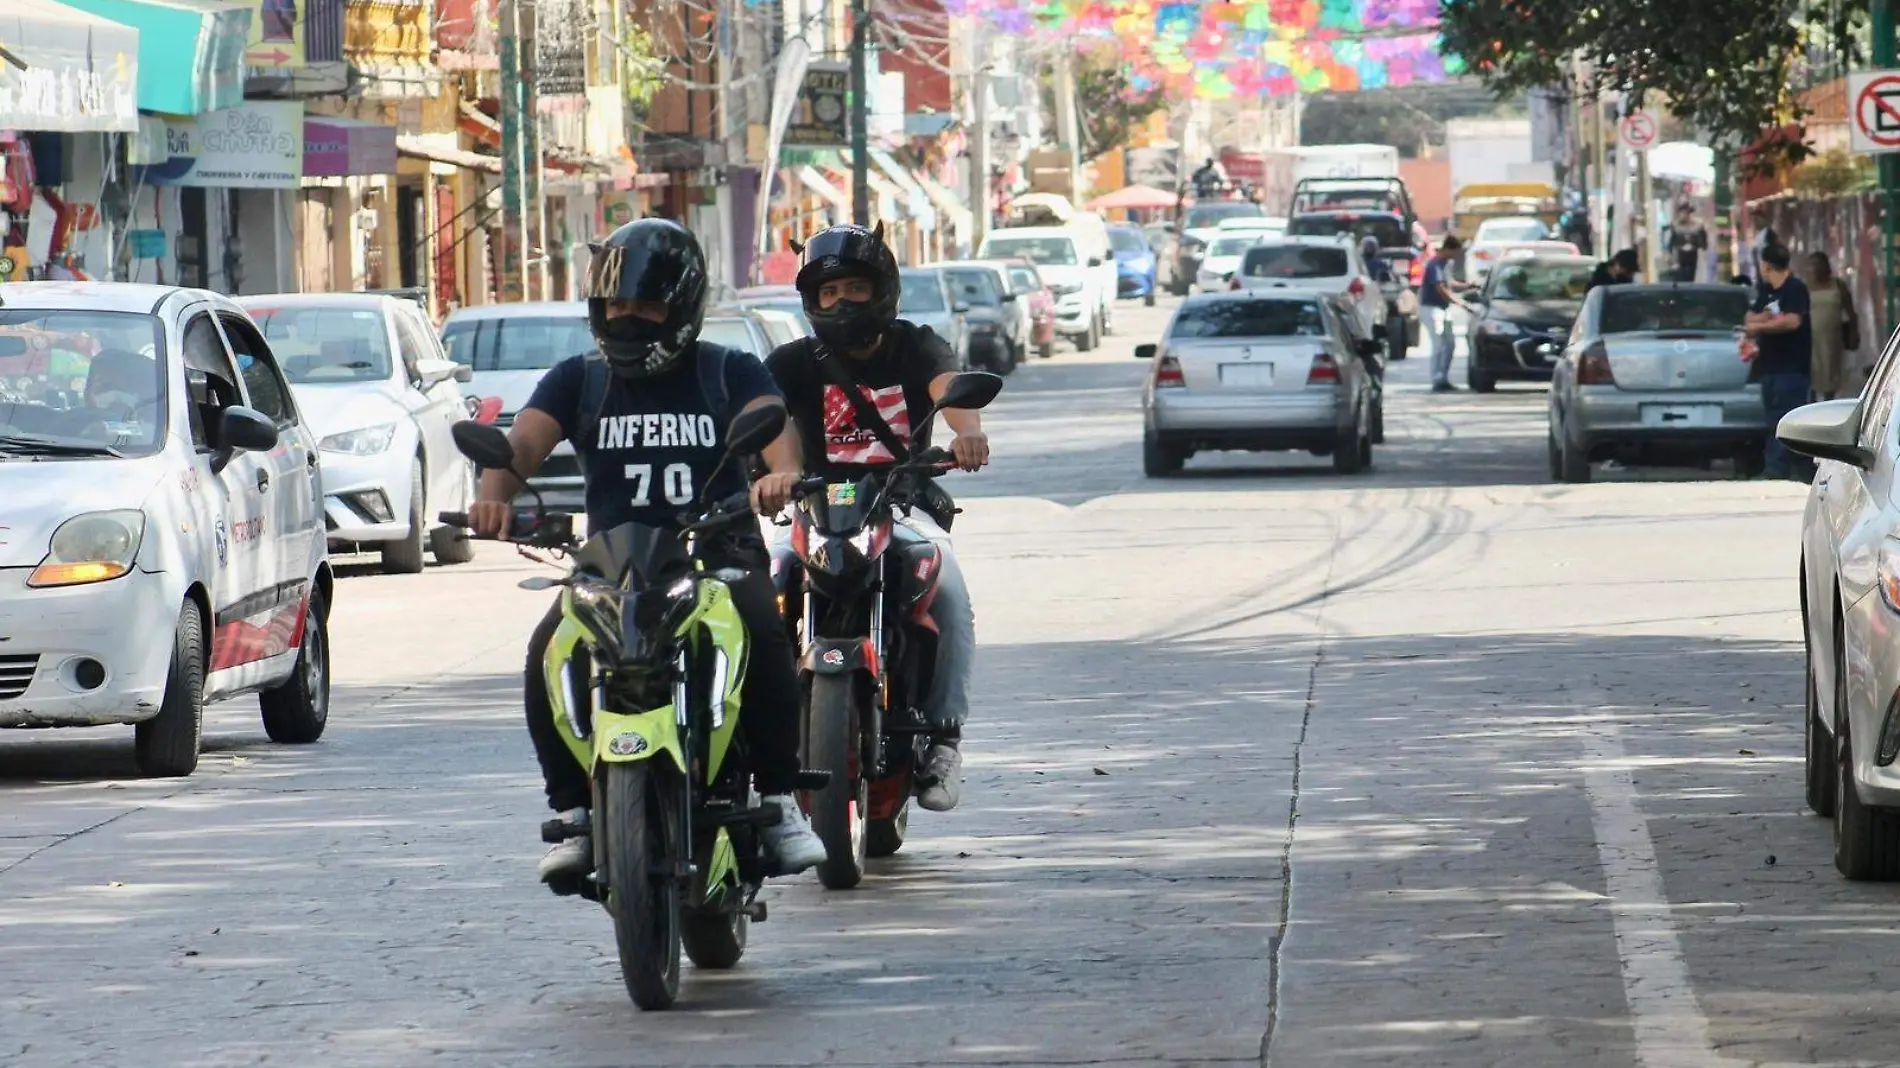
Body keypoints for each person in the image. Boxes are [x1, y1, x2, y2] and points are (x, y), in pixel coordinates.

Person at [465, 218, 828, 883]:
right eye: (615, 305)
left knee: (762, 627)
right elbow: (519, 449)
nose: (628, 318)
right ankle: (574, 812)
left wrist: (778, 474)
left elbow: (778, 436)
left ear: (683, 306)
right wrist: (495, 495)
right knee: (550, 651)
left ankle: (778, 800)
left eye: (646, 304)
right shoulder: (580, 380)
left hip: (715, 553)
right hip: (614, 566)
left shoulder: (727, 370)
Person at [762, 222, 987, 813]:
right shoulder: (790, 362)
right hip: (815, 511)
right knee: (765, 588)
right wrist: (772, 471)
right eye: (828, 292)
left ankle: (943, 738)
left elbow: (951, 390)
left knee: (950, 590)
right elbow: (769, 421)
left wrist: (970, 434)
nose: (841, 302)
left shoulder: (917, 346)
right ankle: (764, 745)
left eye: (854, 288)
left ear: (882, 289)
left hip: (903, 505)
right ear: (810, 300)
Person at [1745, 243, 1813, 480]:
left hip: (1792, 368)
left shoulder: (1795, 289)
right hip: (1769, 367)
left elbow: (1792, 322)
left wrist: (1762, 325)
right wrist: (1765, 320)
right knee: (1772, 420)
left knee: (1789, 420)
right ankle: (1777, 466)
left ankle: (1784, 469)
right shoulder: (1766, 290)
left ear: (1766, 265)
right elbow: (1749, 317)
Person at [1419, 235, 1475, 393]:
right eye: (1456, 251)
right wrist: (1461, 303)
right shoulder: (1434, 264)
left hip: (1443, 308)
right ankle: (1436, 379)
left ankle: (1443, 377)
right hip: (1431, 308)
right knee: (1438, 344)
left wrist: (1469, 286)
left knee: (1450, 344)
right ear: (1449, 249)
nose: (1458, 256)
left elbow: (1450, 283)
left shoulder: (1446, 264)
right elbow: (1440, 288)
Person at [1805, 251, 1861, 400]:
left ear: (1825, 266)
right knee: (1813, 375)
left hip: (1832, 340)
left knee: (1831, 374)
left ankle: (1828, 405)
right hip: (1811, 339)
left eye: (1816, 264)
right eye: (1810, 264)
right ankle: (1811, 406)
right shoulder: (1806, 287)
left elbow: (1851, 312)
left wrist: (1854, 333)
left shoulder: (1838, 285)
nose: (1813, 268)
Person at [1665, 204, 1708, 282]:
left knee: (1692, 273)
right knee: (1682, 274)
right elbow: (1671, 241)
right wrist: (1669, 253)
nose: (1685, 215)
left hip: (1692, 252)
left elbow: (1703, 239)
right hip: (1681, 253)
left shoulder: (1697, 225)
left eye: (1686, 213)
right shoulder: (1676, 226)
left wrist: (1704, 248)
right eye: (1683, 213)